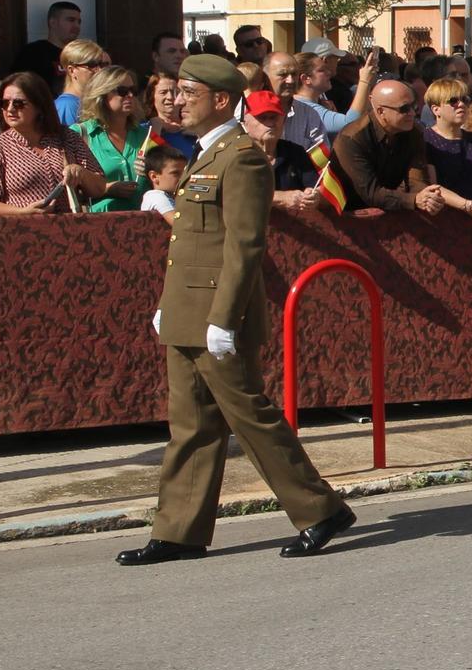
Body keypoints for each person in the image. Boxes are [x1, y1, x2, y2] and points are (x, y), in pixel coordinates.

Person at [115, 54, 357, 566]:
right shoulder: (204, 153)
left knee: (250, 418)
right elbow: (194, 240)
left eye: (187, 92)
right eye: (175, 92)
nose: (176, 101)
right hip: (187, 310)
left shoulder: (240, 157)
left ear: (219, 99)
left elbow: (244, 245)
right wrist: (169, 305)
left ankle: (320, 510)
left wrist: (223, 319)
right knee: (191, 425)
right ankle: (179, 529)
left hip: (217, 315)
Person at [0, 72, 108, 215]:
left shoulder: (68, 138)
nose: (10, 109)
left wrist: (81, 173)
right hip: (21, 232)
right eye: (4, 103)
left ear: (39, 106)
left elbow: (100, 187)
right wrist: (21, 212)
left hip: (68, 232)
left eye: (18, 103)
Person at [332, 81, 444, 213]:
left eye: (414, 106)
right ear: (381, 111)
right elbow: (371, 193)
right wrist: (413, 200)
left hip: (395, 208)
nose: (412, 113)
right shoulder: (352, 139)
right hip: (351, 214)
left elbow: (417, 178)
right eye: (404, 109)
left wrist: (425, 197)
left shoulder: (414, 132)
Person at [422, 78, 472, 222]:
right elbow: (432, 185)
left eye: (466, 99)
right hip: (444, 222)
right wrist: (467, 205)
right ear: (436, 109)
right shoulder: (425, 140)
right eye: (453, 101)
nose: (462, 105)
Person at [72, 67, 149, 211]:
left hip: (142, 224)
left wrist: (153, 169)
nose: (130, 95)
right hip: (98, 225)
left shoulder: (146, 135)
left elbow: (168, 174)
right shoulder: (80, 134)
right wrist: (107, 189)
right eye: (122, 91)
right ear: (102, 94)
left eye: (133, 90)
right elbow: (68, 187)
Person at [238, 89, 322, 214]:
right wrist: (278, 198)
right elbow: (230, 194)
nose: (270, 123)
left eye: (274, 117)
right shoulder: (234, 154)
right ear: (245, 123)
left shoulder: (295, 152)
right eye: (263, 118)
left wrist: (313, 196)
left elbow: (317, 187)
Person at [262, 51, 327, 156]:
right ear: (265, 77)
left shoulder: (309, 115)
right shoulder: (248, 113)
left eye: (294, 74)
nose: (290, 80)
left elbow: (321, 160)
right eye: (283, 74)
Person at [10, 0, 82, 91]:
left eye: (79, 22)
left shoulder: (81, 55)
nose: (77, 26)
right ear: (52, 22)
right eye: (71, 20)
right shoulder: (33, 52)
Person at [53, 39, 110, 127]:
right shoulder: (67, 105)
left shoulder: (95, 102)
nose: (100, 70)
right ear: (72, 70)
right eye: (92, 65)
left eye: (102, 65)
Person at [146, 73, 200, 161]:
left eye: (176, 92)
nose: (170, 97)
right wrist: (155, 130)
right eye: (163, 92)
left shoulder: (195, 129)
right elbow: (146, 161)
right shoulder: (144, 129)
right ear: (152, 97)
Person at [139, 144, 185, 216]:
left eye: (185, 173)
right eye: (176, 173)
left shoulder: (175, 197)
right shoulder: (155, 196)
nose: (183, 177)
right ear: (154, 177)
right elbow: (179, 223)